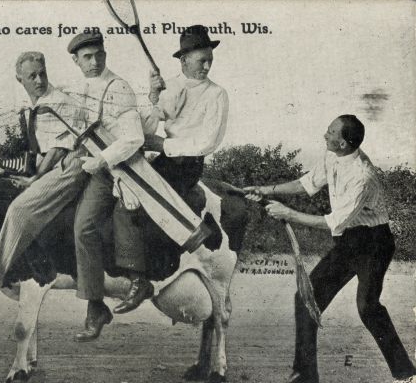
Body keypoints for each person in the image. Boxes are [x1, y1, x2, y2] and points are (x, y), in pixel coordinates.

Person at [244, 115, 416, 383]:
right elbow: (306, 183)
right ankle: (305, 375)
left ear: (345, 143)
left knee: (368, 308)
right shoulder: (332, 156)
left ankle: (406, 375)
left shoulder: (362, 176)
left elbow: (333, 221)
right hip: (349, 241)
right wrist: (266, 189)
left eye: (331, 132)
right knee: (306, 299)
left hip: (373, 244)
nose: (325, 135)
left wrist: (288, 214)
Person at [111, 24, 229, 314]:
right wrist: (153, 97)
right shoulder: (172, 86)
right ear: (183, 60)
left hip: (187, 166)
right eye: (201, 60)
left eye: (210, 60)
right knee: (119, 189)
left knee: (132, 203)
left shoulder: (217, 94)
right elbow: (149, 125)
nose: (207, 65)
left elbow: (208, 142)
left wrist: (164, 146)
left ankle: (140, 280)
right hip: (164, 159)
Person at [0, 51, 88, 290]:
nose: (40, 80)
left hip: (73, 162)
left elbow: (59, 149)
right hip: (59, 163)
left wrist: (35, 179)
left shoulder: (57, 102)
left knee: (19, 209)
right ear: (19, 78)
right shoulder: (39, 104)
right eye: (32, 76)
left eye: (43, 74)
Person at [65, 31, 145, 342]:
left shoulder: (119, 88)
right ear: (76, 60)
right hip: (94, 166)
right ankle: (96, 306)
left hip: (126, 167)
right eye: (87, 57)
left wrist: (99, 162)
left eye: (100, 54)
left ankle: (137, 280)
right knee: (76, 223)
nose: (95, 61)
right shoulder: (78, 90)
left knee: (87, 224)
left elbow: (134, 138)